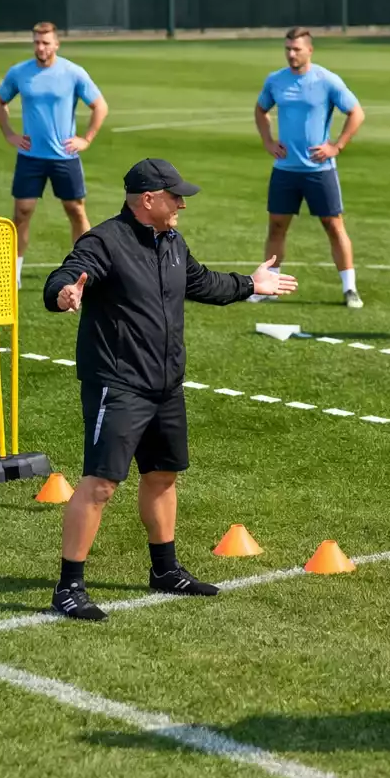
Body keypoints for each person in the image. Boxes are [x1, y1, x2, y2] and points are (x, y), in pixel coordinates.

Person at [42, 158, 297, 621]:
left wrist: (250, 285)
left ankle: (164, 570)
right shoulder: (103, 241)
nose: (182, 203)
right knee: (100, 485)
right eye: (175, 196)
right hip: (118, 383)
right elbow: (67, 273)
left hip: (165, 384)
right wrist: (64, 294)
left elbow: (201, 282)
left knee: (162, 475)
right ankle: (68, 586)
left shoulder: (172, 241)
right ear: (148, 200)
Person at [252, 27, 366, 308]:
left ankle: (350, 289)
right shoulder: (275, 81)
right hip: (285, 170)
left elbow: (356, 113)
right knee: (276, 227)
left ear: (309, 50)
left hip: (319, 170)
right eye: (288, 49)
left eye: (297, 49)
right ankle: (270, 287)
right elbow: (260, 109)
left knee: (333, 226)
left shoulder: (326, 80)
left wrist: (336, 146)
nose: (291, 54)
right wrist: (268, 141)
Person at [0, 21, 110, 289]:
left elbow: (100, 106)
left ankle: (88, 269)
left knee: (76, 210)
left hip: (64, 157)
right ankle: (14, 272)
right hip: (31, 157)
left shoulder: (73, 73)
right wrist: (10, 134)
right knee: (22, 212)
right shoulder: (19, 73)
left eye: (46, 42)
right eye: (36, 42)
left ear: (56, 44)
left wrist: (86, 138)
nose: (41, 47)